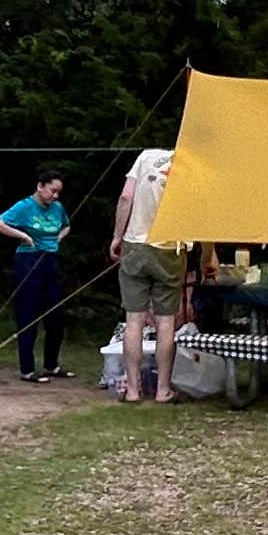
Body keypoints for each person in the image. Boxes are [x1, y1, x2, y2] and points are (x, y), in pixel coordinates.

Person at [113, 141, 181, 406]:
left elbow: (126, 197)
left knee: (134, 321)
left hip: (136, 244)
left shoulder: (144, 157)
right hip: (170, 248)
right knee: (166, 322)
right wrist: (208, 254)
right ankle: (163, 390)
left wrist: (118, 236)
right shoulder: (189, 163)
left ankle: (132, 390)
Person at [0, 170, 69, 381]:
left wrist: (58, 239)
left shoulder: (57, 208)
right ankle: (27, 369)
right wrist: (23, 236)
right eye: (52, 191)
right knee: (28, 314)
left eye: (58, 192)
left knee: (56, 316)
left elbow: (66, 225)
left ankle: (51, 365)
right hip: (29, 261)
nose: (55, 196)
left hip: (51, 262)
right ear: (40, 186)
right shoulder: (25, 207)